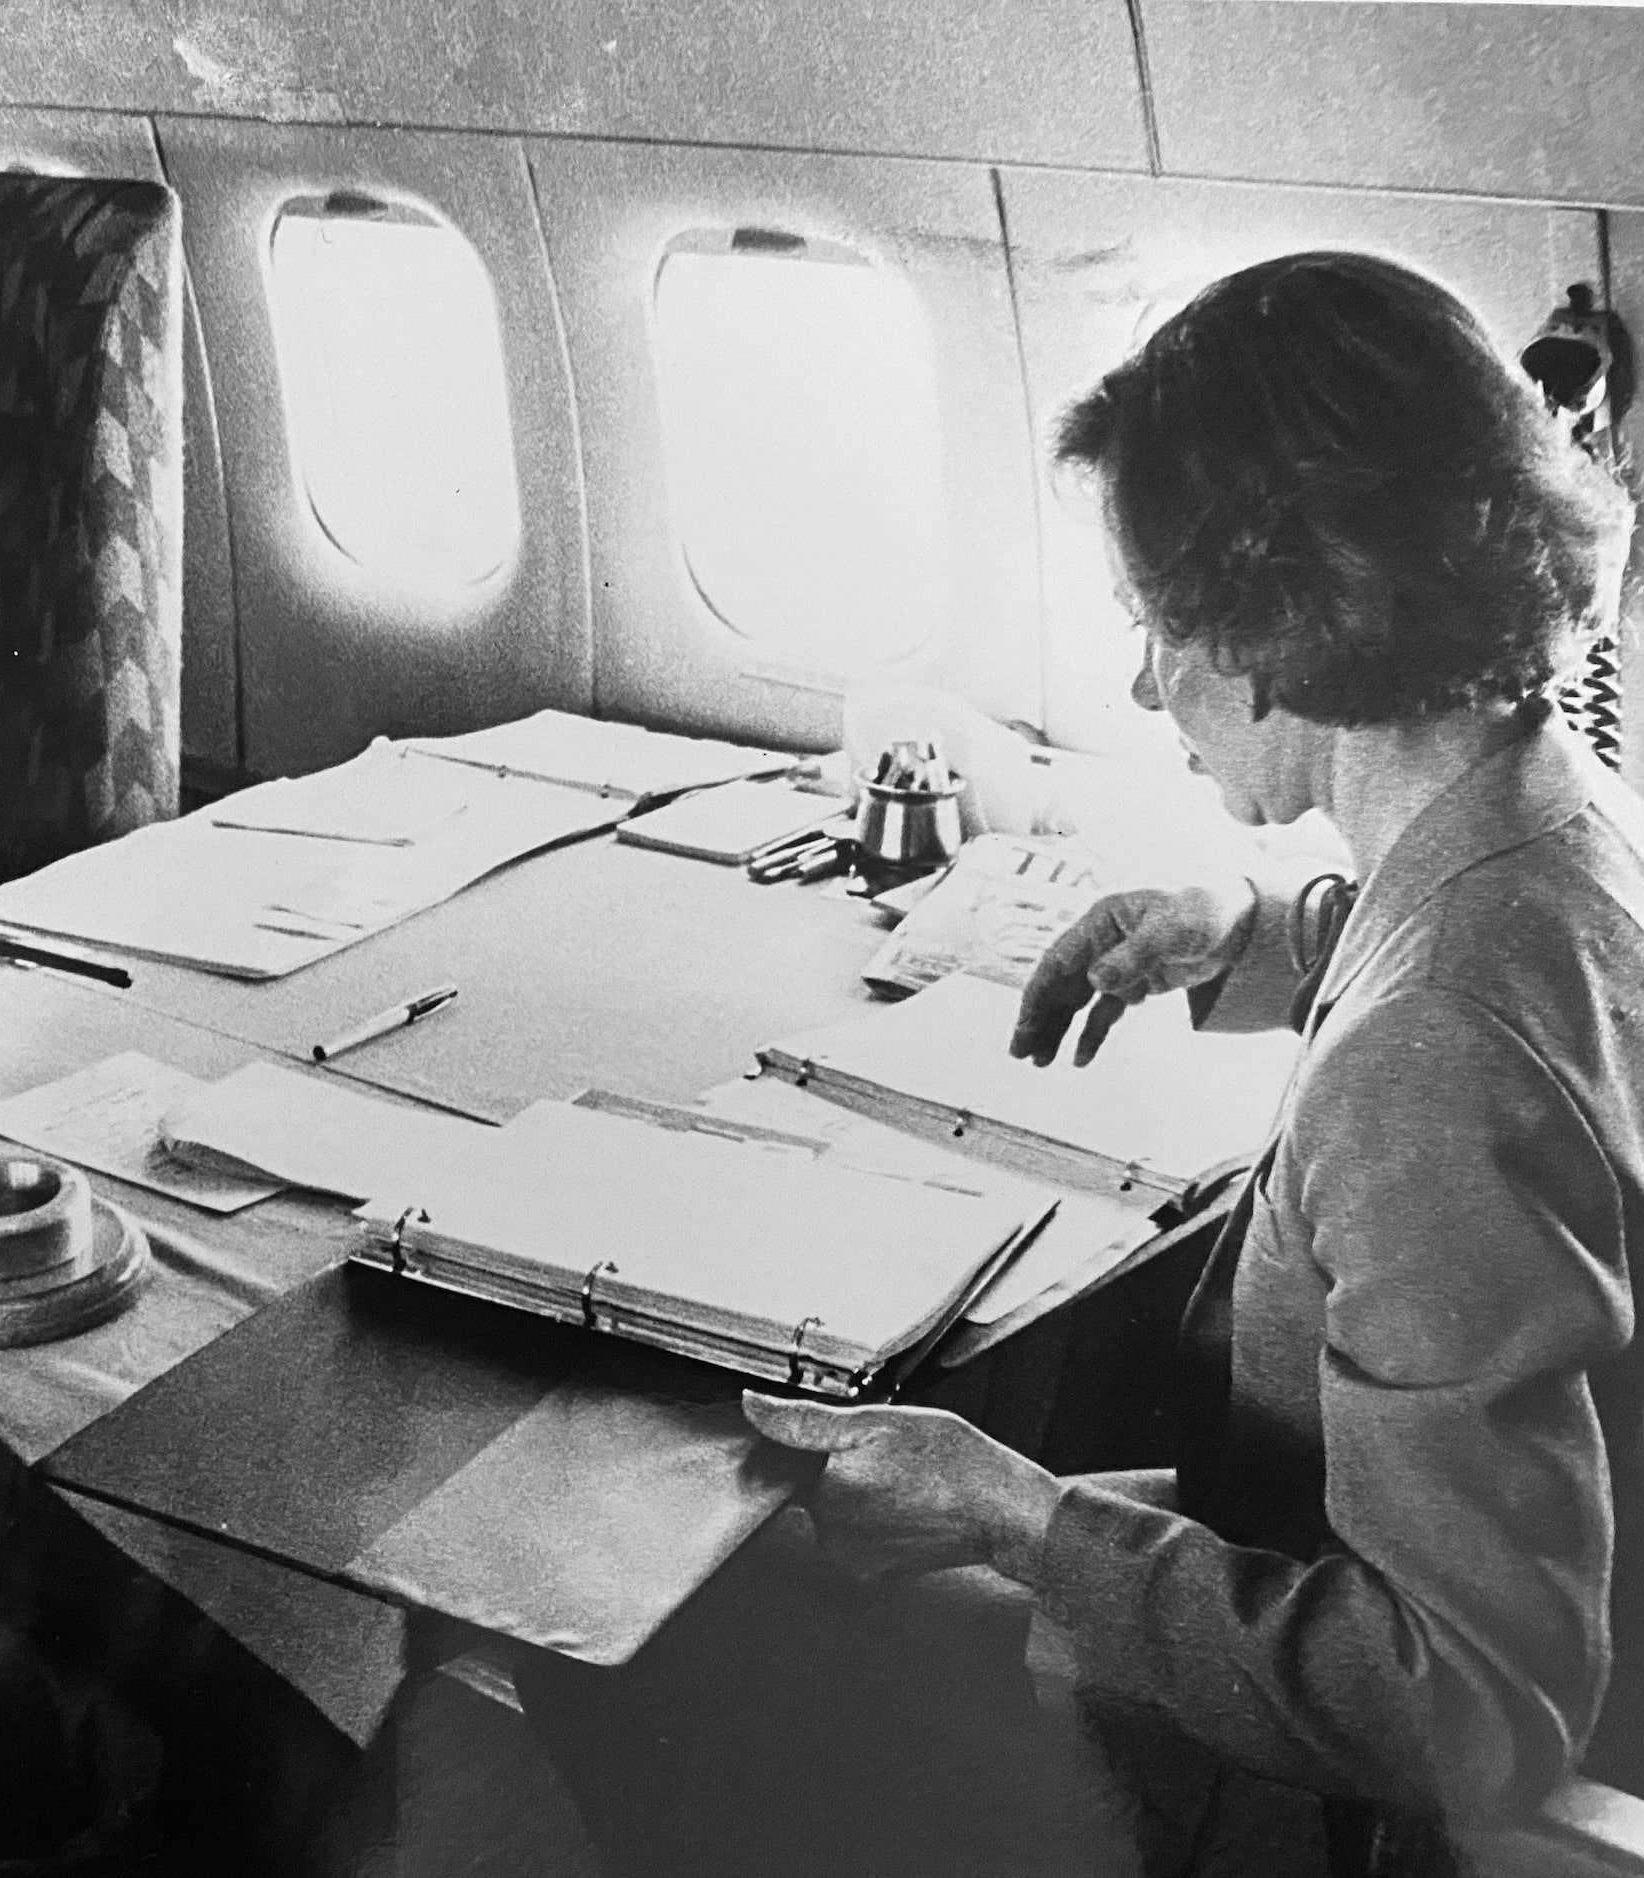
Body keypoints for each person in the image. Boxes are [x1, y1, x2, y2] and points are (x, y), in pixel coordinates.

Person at [520, 250, 1644, 1878]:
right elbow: (1467, 952)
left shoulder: (1428, 1066)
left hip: (1340, 1794)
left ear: (1276, 619)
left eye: (1155, 621)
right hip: (1339, 1547)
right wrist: (1243, 928)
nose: (1139, 683)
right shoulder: (1561, 814)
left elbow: (1463, 1704)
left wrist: (1018, 1518)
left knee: (657, 1616)